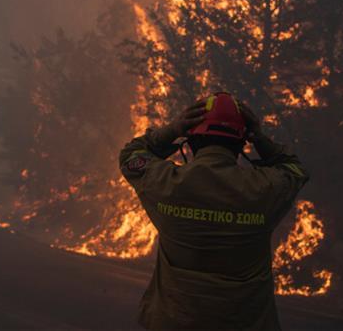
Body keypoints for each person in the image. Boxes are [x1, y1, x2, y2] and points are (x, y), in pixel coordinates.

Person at [119, 92, 309, 330]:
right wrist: (259, 137)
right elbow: (295, 170)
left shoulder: (165, 183)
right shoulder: (264, 189)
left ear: (192, 141)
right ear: (242, 144)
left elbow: (130, 156)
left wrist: (173, 129)